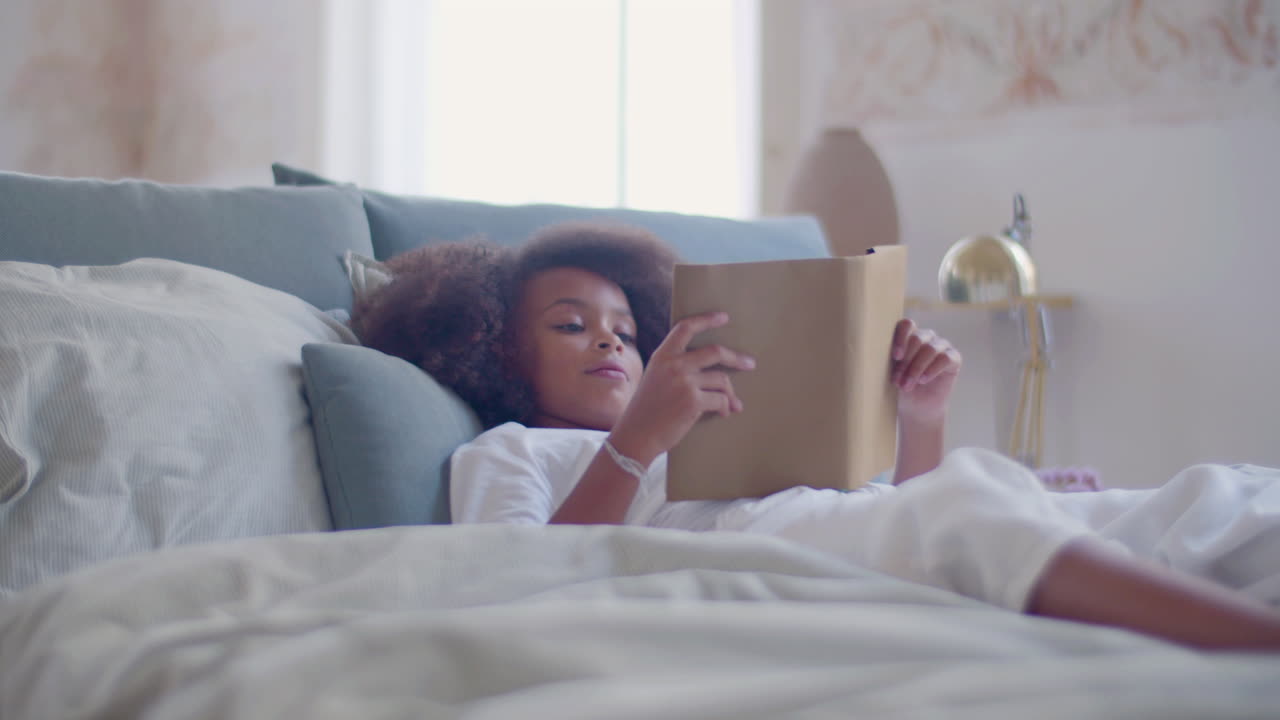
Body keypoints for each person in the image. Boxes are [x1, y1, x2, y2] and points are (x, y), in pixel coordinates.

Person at [355, 221, 1280, 651]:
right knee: (969, 519)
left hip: (865, 525)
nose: (609, 340)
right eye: (569, 324)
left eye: (627, 332)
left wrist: (919, 416)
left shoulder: (712, 419)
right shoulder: (511, 451)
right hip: (778, 555)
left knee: (1200, 503)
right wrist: (634, 442)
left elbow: (895, 510)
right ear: (498, 356)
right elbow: (520, 583)